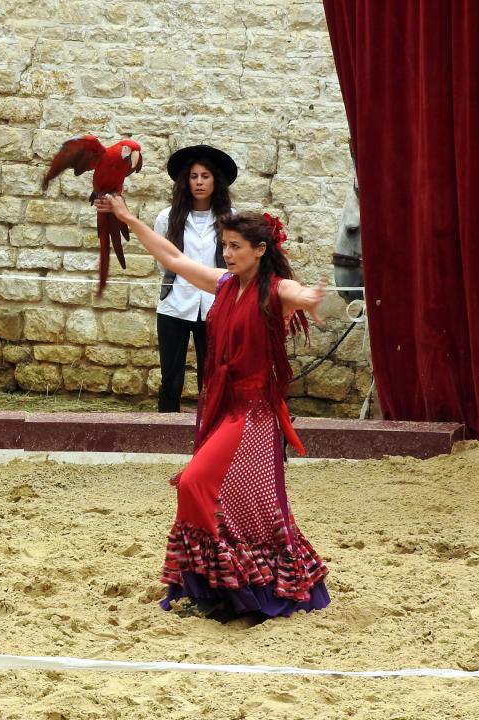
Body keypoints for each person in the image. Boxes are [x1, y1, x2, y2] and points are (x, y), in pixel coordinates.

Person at [96, 193, 331, 622]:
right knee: (231, 497)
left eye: (236, 247)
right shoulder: (223, 284)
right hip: (225, 408)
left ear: (261, 250)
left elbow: (294, 292)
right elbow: (172, 256)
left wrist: (310, 298)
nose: (228, 253)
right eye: (225, 246)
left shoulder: (274, 291)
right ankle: (211, 588)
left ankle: (234, 585)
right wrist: (128, 218)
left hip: (255, 416)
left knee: (195, 484)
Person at [154, 145, 237, 413]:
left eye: (205, 176)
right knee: (171, 379)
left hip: (216, 306)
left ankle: (209, 433)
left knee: (211, 378)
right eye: (193, 176)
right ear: (185, 181)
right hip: (174, 305)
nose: (199, 182)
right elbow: (162, 259)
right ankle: (165, 433)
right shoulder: (167, 217)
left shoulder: (230, 218)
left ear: (216, 181)